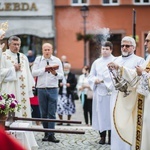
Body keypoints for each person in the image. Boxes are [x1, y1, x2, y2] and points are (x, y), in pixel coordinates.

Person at [107, 32, 150, 150]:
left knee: (131, 126)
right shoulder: (116, 59)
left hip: (133, 99)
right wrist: (116, 70)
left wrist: (122, 70)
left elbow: (139, 76)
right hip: (117, 97)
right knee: (116, 125)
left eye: (127, 46)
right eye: (122, 46)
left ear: (133, 48)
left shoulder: (140, 60)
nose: (124, 48)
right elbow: (110, 80)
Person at [32, 43, 64, 143]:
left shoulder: (57, 60)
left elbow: (61, 76)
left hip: (53, 88)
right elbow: (33, 73)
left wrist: (55, 73)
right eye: (45, 50)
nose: (47, 51)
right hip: (41, 88)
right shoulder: (38, 60)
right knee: (43, 113)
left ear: (52, 50)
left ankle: (51, 135)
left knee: (52, 113)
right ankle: (46, 133)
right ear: (42, 50)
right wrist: (44, 69)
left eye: (48, 49)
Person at [88, 41, 115, 145]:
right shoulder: (97, 62)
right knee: (101, 115)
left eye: (107, 49)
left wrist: (107, 81)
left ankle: (111, 137)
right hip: (99, 92)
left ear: (111, 50)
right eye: (103, 49)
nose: (104, 51)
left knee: (111, 115)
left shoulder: (115, 60)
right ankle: (102, 137)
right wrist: (95, 79)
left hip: (111, 93)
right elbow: (91, 76)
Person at [0, 36, 35, 118]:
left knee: (23, 110)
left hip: (23, 90)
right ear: (9, 45)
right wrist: (13, 69)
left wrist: (31, 85)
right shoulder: (3, 56)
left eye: (18, 45)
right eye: (14, 44)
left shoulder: (23, 57)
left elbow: (28, 73)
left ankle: (24, 129)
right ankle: (11, 128)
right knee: (11, 110)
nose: (17, 47)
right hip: (10, 88)